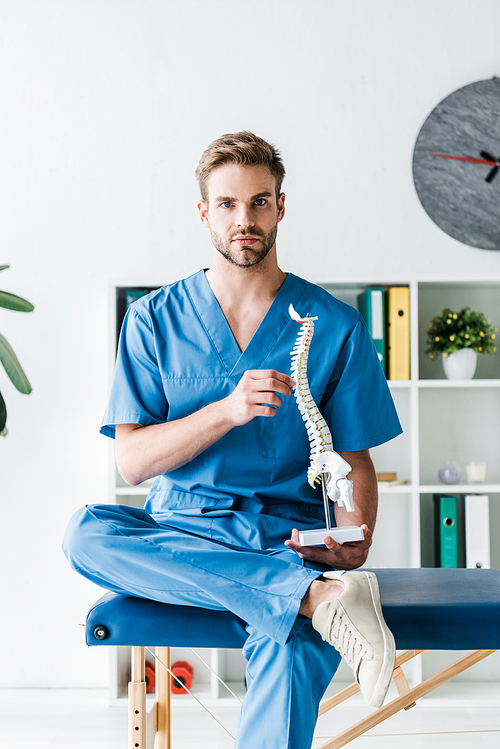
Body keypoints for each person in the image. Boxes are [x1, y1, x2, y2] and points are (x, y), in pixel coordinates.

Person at [63, 131, 402, 749]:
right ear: (204, 212)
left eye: (259, 202)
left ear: (280, 206)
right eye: (227, 204)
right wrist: (225, 411)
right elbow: (132, 461)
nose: (244, 219)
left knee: (290, 651)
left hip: (283, 539)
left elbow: (355, 458)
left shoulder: (334, 325)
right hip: (180, 532)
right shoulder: (152, 320)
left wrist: (356, 541)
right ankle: (313, 599)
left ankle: (308, 593)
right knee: (86, 532)